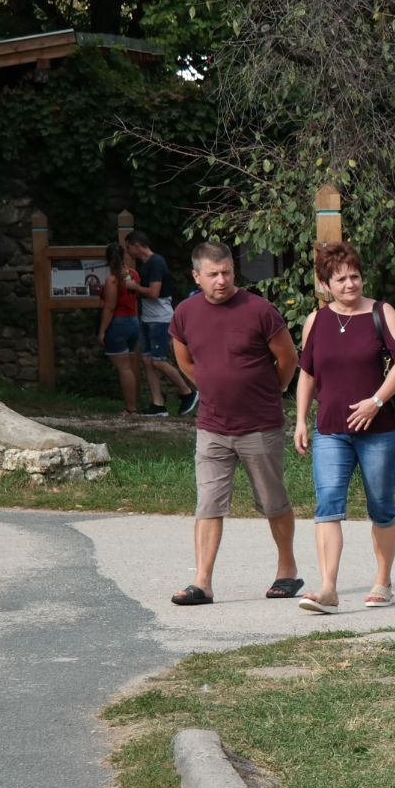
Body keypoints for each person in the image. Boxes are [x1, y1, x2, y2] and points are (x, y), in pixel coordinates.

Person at [167, 241, 302, 605]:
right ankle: (202, 582)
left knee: (272, 501)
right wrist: (210, 385)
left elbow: (287, 357)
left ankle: (287, 570)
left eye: (226, 272)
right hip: (212, 426)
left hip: (260, 424)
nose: (221, 280)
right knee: (208, 504)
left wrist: (277, 388)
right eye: (213, 274)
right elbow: (184, 358)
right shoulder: (185, 312)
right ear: (197, 276)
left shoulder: (259, 310)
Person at [291, 241, 395, 614]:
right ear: (325, 283)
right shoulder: (317, 320)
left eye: (355, 276)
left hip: (380, 430)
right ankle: (327, 588)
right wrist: (299, 420)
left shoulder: (382, 311)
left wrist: (375, 401)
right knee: (327, 505)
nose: (350, 284)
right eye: (341, 279)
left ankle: (383, 581)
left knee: (380, 505)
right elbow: (307, 373)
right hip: (330, 429)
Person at [122, 230, 198, 417]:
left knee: (158, 361)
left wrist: (134, 287)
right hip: (148, 318)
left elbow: (154, 292)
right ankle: (158, 405)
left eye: (128, 247)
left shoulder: (156, 262)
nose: (128, 252)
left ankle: (188, 392)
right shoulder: (144, 264)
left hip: (160, 319)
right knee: (147, 361)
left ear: (137, 245)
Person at [97, 246, 143, 416]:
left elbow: (109, 307)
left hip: (118, 324)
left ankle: (130, 408)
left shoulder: (113, 280)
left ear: (107, 260)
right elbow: (135, 300)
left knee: (124, 368)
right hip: (133, 321)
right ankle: (132, 405)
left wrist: (102, 332)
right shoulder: (133, 274)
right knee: (128, 367)